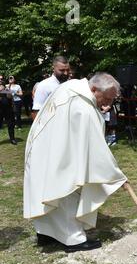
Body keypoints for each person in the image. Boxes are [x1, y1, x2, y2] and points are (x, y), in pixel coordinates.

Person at [24, 72, 128, 252]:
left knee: (46, 189)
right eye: (106, 98)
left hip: (42, 149)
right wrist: (117, 176)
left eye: (112, 100)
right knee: (67, 189)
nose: (108, 105)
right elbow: (97, 148)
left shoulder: (69, 88)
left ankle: (46, 233)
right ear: (94, 89)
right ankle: (74, 240)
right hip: (59, 155)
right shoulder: (83, 108)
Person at [0, 75, 17, 144]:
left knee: (10, 124)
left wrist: (8, 87)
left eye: (1, 79)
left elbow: (9, 97)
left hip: (8, 109)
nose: (0, 80)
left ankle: (12, 139)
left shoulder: (6, 88)